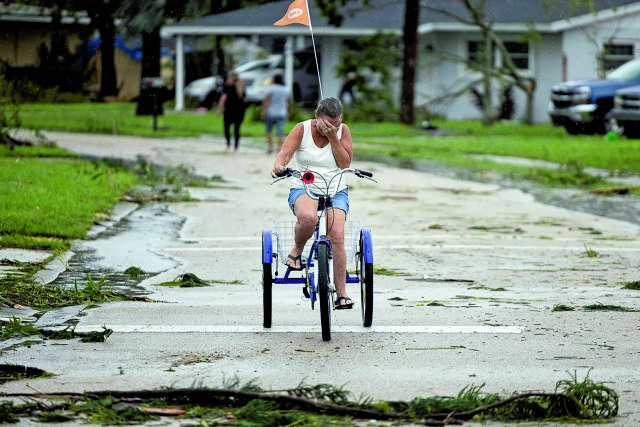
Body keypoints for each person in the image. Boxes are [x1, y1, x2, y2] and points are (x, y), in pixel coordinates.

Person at [271, 97, 355, 309]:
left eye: (335, 124)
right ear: (317, 116)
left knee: (336, 235)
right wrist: (279, 165)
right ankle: (297, 250)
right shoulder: (302, 129)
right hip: (304, 186)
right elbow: (285, 154)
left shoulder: (342, 131)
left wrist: (333, 137)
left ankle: (341, 293)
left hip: (335, 189)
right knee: (308, 218)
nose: (331, 127)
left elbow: (345, 163)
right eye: (326, 123)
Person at [216, 72, 246, 151]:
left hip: (229, 110)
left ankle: (228, 144)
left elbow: (222, 98)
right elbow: (244, 98)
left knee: (227, 128)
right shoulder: (242, 87)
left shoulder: (226, 86)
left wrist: (218, 110)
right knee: (237, 129)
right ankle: (236, 146)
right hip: (239, 111)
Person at [262, 74, 291, 154]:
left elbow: (266, 100)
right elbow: (288, 102)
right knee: (280, 132)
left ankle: (270, 148)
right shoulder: (286, 89)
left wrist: (264, 111)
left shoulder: (270, 89)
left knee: (269, 130)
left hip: (270, 112)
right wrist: (288, 112)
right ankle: (279, 149)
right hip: (282, 112)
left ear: (274, 80)